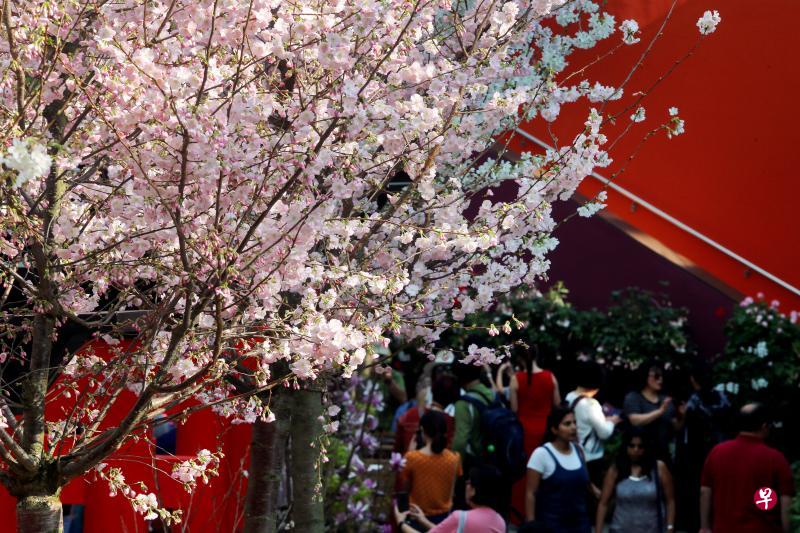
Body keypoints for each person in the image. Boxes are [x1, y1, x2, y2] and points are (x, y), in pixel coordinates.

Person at [699, 403, 795, 533]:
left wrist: (705, 527)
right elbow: (786, 502)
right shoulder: (776, 459)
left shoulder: (717, 452)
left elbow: (705, 491)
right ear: (764, 426)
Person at [674, 360, 732, 531]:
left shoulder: (692, 403)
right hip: (723, 454)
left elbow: (684, 434)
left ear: (693, 379)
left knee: (696, 499)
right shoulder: (724, 399)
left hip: (695, 459)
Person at [525, 405, 593, 533]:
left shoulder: (579, 451)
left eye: (574, 423)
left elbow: (586, 483)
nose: (573, 427)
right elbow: (530, 494)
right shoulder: (541, 454)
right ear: (554, 429)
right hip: (552, 526)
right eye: (567, 424)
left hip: (581, 524)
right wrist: (531, 525)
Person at [510, 349, 560, 522]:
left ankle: (522, 514)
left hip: (524, 433)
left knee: (524, 474)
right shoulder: (550, 377)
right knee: (546, 472)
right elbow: (557, 405)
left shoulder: (516, 379)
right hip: (545, 432)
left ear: (520, 359)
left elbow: (514, 410)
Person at [595, 429, 676, 533]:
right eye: (631, 446)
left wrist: (670, 527)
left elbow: (670, 501)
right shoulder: (615, 470)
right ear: (626, 447)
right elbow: (603, 503)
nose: (636, 450)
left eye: (640, 446)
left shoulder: (659, 468)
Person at [395, 464, 506, 532]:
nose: (466, 485)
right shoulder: (500, 522)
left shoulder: (461, 518)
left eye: (468, 482)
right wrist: (424, 520)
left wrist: (401, 523)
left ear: (474, 490)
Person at [398, 411, 463, 526]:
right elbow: (452, 489)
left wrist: (408, 453)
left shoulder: (412, 457)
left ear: (422, 430)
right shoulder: (454, 458)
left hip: (416, 516)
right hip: (444, 518)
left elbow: (405, 487)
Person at [565, 360, 621, 487]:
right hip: (591, 458)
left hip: (572, 453)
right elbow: (604, 433)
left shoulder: (569, 397)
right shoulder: (591, 404)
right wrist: (612, 422)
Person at [623, 362, 684, 462]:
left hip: (663, 454)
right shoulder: (634, 397)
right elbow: (634, 420)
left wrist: (682, 416)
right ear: (645, 376)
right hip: (640, 454)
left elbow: (676, 427)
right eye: (656, 376)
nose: (660, 379)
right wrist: (659, 412)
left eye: (661, 376)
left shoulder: (665, 399)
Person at [395, 374, 460, 454]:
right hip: (440, 465)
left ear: (432, 390)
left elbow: (397, 451)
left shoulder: (407, 415)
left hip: (409, 464)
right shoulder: (451, 422)